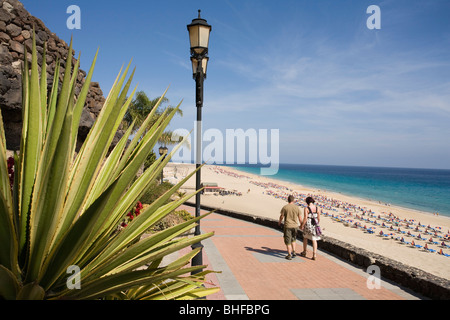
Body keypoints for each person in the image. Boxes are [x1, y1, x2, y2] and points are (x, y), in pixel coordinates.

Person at [278, 195, 302, 260]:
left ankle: (289, 255)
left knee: (288, 241)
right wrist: (301, 225)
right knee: (293, 239)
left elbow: (281, 216)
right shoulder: (297, 208)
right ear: (293, 200)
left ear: (288, 200)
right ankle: (294, 251)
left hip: (288, 226)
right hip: (295, 226)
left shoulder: (285, 207)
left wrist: (279, 222)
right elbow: (300, 218)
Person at [300, 196, 322, 260]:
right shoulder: (317, 208)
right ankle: (314, 255)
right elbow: (319, 218)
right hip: (315, 224)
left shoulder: (306, 208)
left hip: (308, 224)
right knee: (314, 240)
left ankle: (304, 251)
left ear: (307, 202)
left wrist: (302, 225)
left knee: (305, 238)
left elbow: (305, 218)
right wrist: (317, 223)